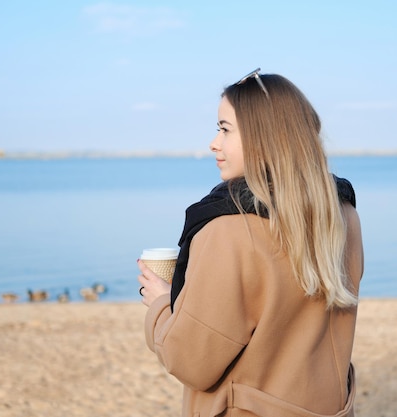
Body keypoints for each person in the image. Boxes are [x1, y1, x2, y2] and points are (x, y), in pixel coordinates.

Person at [138, 68, 364, 417]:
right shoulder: (340, 213)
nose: (214, 143)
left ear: (265, 136)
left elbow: (191, 361)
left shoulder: (228, 230)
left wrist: (159, 305)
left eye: (225, 129)